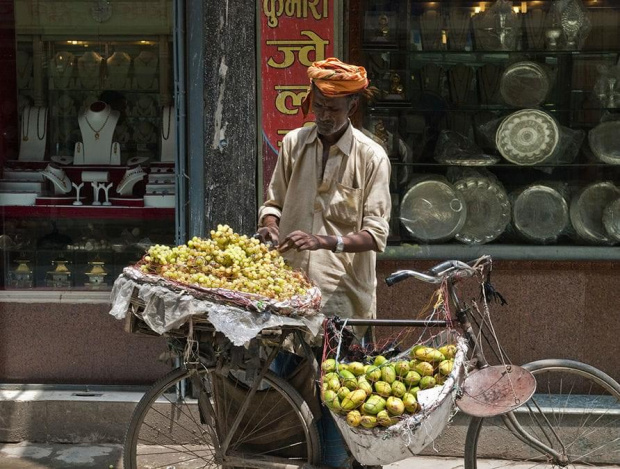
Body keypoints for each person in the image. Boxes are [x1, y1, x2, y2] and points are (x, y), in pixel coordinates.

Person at [257, 57, 391, 468]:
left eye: (333, 109)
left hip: (342, 303)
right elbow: (273, 200)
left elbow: (375, 235)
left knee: (336, 403)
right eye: (318, 107)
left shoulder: (371, 158)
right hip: (291, 297)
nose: (324, 116)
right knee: (286, 390)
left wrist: (325, 240)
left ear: (352, 107)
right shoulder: (295, 144)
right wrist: (269, 224)